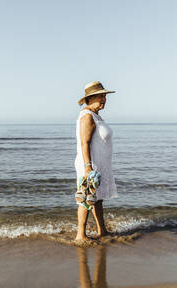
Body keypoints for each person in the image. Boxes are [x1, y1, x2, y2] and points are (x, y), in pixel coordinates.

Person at [74, 81, 118, 242]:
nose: (104, 99)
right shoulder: (87, 116)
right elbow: (84, 144)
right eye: (101, 96)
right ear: (90, 98)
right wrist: (88, 167)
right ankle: (80, 235)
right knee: (86, 199)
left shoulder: (95, 115)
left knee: (96, 199)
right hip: (90, 164)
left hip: (98, 164)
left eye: (105, 96)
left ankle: (102, 231)